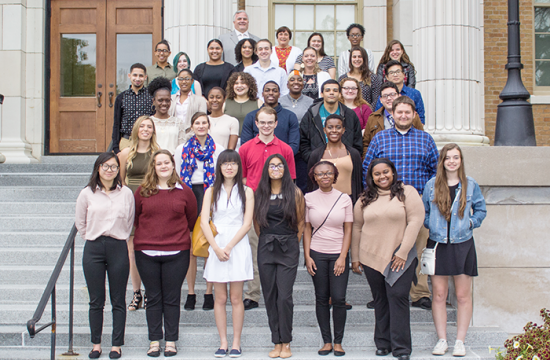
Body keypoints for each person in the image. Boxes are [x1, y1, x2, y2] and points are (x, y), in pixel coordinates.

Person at [363, 96, 438, 311]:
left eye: (407, 112)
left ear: (414, 115)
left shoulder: (426, 140)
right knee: (384, 248)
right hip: (386, 207)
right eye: (399, 112)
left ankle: (420, 293)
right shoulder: (380, 139)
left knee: (419, 247)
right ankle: (382, 293)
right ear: (392, 115)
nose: (403, 116)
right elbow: (368, 170)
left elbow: (436, 172)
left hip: (418, 206)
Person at [351, 158, 424, 360]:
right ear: (371, 177)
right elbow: (357, 227)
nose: (382, 176)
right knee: (380, 300)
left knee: (398, 297)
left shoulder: (406, 192)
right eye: (377, 174)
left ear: (392, 172)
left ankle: (401, 348)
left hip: (400, 256)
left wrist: (403, 251)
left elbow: (416, 220)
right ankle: (382, 343)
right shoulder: (364, 198)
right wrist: (355, 257)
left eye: (386, 172)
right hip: (370, 255)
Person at [422, 144, 487, 357]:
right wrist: (431, 225)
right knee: (439, 295)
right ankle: (442, 340)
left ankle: (460, 341)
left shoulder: (471, 185)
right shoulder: (431, 185)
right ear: (441, 161)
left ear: (461, 160)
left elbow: (481, 209)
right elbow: (423, 211)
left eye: (455, 157)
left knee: (462, 295)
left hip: (463, 244)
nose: (451, 161)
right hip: (438, 244)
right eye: (447, 157)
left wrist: (470, 223)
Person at [133, 150, 197, 357]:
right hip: (146, 252)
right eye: (158, 163)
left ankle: (170, 340)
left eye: (166, 162)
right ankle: (154, 340)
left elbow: (191, 219)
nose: (163, 166)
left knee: (171, 298)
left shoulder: (184, 191)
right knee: (153, 297)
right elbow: (135, 219)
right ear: (153, 167)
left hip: (177, 251)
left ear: (173, 165)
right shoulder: (142, 191)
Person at [75, 152, 134, 359]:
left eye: (114, 167)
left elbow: (129, 221)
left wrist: (119, 238)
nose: (110, 170)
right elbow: (80, 223)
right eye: (105, 166)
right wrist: (91, 237)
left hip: (118, 246)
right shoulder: (87, 193)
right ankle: (96, 344)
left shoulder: (126, 193)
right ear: (98, 168)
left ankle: (116, 345)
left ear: (119, 170)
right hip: (94, 248)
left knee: (118, 299)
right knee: (96, 300)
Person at [239, 107, 296, 311]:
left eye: (269, 122)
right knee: (255, 249)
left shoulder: (285, 149)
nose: (266, 126)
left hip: (279, 207)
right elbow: (243, 178)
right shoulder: (245, 148)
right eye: (262, 122)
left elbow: (291, 180)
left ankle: (279, 291)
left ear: (276, 123)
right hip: (255, 205)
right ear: (256, 123)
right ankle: (252, 294)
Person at [201, 150, 255, 358]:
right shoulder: (211, 191)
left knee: (236, 298)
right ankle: (222, 342)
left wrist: (230, 246)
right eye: (225, 164)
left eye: (233, 163)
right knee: (220, 298)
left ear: (239, 166)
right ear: (220, 167)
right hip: (216, 244)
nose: (229, 167)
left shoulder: (247, 191)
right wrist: (215, 248)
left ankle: (236, 342)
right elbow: (204, 221)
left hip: (238, 245)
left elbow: (247, 223)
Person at [254, 154, 305, 359]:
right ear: (266, 169)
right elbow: (257, 224)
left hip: (288, 247)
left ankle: (287, 341)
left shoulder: (295, 192)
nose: (276, 169)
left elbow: (301, 222)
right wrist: (267, 238)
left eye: (280, 165)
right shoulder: (260, 193)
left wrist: (293, 242)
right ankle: (276, 341)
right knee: (270, 296)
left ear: (285, 169)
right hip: (266, 246)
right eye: (272, 165)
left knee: (284, 296)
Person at [174, 112, 225, 311]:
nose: (201, 126)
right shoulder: (181, 149)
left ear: (209, 125)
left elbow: (222, 175)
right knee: (190, 246)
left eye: (204, 122)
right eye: (197, 123)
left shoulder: (218, 149)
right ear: (192, 126)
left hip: (210, 194)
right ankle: (191, 292)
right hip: (189, 194)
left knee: (209, 244)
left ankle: (209, 292)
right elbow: (177, 175)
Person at [303, 160, 353, 357]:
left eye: (328, 173)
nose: (324, 176)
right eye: (320, 174)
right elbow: (307, 228)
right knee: (322, 298)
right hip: (317, 252)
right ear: (314, 177)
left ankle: (338, 342)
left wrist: (343, 256)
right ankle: (326, 341)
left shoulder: (345, 198)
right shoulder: (308, 198)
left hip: (338, 253)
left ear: (335, 175)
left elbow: (348, 229)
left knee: (339, 298)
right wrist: (307, 256)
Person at [117, 116, 160, 313]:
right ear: (136, 129)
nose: (145, 129)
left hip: (153, 202)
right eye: (142, 126)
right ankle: (136, 293)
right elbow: (120, 182)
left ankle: (152, 291)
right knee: (132, 251)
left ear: (153, 130)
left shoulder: (158, 153)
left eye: (149, 126)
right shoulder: (126, 153)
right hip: (131, 203)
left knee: (151, 250)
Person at [299, 79, 363, 163]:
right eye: (327, 90)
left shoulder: (350, 115)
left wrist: (348, 159)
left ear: (340, 94)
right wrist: (313, 158)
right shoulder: (312, 114)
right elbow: (303, 141)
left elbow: (357, 142)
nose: (331, 93)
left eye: (335, 90)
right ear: (322, 94)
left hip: (344, 163)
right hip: (318, 164)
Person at [306, 114, 363, 204]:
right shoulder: (316, 155)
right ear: (324, 130)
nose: (334, 130)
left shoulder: (353, 154)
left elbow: (359, 181)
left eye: (338, 127)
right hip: (322, 202)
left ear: (343, 130)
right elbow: (311, 183)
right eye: (330, 127)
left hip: (348, 201)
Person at [362, 82, 423, 157]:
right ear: (380, 100)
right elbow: (366, 144)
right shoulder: (373, 118)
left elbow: (421, 139)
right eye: (385, 96)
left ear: (399, 96)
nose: (389, 98)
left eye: (392, 95)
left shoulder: (412, 116)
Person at [241, 81, 300, 154]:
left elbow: (294, 145)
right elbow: (245, 144)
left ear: (279, 94)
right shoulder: (251, 116)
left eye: (274, 91)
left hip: (282, 161)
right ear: (262, 94)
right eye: (267, 90)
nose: (271, 93)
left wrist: (277, 160)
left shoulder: (290, 116)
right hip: (257, 159)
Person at [280, 70, 314, 193]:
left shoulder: (310, 102)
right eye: (292, 80)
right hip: (285, 146)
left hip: (303, 148)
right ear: (287, 84)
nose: (296, 82)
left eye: (299, 79)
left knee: (302, 183)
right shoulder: (280, 102)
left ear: (303, 83)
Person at [111, 63, 154, 154]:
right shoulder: (121, 97)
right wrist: (115, 147)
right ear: (129, 76)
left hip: (146, 141)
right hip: (127, 140)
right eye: (135, 75)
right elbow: (117, 123)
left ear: (145, 77)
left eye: (141, 76)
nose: (137, 79)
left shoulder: (151, 96)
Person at [374, 60, 425, 124]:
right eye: (392, 72)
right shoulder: (383, 96)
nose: (395, 75)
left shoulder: (415, 93)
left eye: (398, 72)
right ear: (387, 77)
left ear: (404, 74)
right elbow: (377, 117)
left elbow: (421, 118)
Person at [169, 68, 208, 145]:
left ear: (192, 81)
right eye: (181, 79)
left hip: (193, 138)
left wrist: (187, 136)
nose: (184, 82)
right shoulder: (171, 99)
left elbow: (201, 121)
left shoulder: (200, 100)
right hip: (173, 137)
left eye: (187, 79)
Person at [148, 77, 185, 155]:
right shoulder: (148, 122)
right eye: (160, 100)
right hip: (152, 162)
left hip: (173, 163)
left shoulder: (178, 122)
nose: (164, 103)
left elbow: (181, 148)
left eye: (167, 100)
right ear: (153, 101)